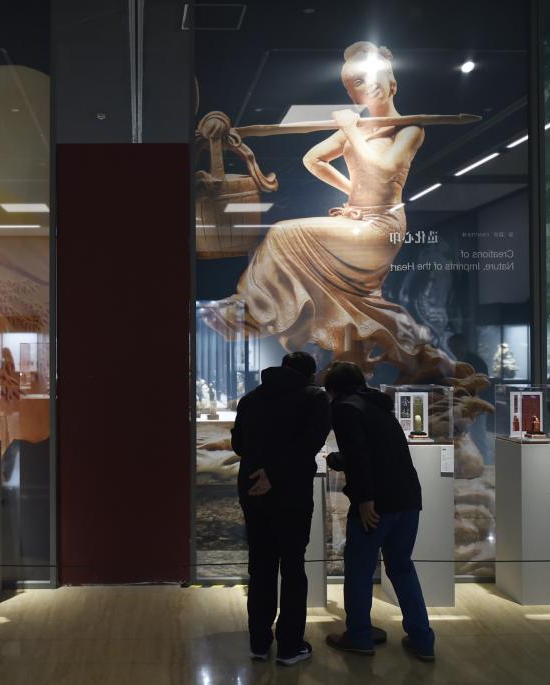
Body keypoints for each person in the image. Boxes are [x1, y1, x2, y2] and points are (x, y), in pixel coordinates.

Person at [206, 41, 451, 379]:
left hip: (381, 226)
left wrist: (351, 129)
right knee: (342, 295)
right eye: (356, 83)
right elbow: (313, 160)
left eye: (373, 77)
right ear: (352, 94)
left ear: (392, 82)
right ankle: (354, 360)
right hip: (357, 218)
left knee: (282, 233)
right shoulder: (358, 129)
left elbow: (383, 169)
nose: (367, 86)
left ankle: (250, 309)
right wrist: (354, 194)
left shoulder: (409, 129)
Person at [323, 360, 435, 662]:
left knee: (359, 568)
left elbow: (360, 456)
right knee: (401, 567)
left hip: (377, 503)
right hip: (408, 498)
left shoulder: (345, 409)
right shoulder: (380, 405)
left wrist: (364, 500)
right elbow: (378, 452)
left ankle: (359, 636)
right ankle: (423, 640)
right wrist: (339, 460)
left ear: (333, 389)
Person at [231, 351, 331, 666]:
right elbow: (310, 444)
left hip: (253, 490)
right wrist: (274, 474)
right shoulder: (314, 398)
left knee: (260, 566)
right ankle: (289, 646)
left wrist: (263, 469)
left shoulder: (250, 399)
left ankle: (259, 644)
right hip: (292, 493)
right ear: (310, 374)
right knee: (292, 568)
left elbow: (238, 445)